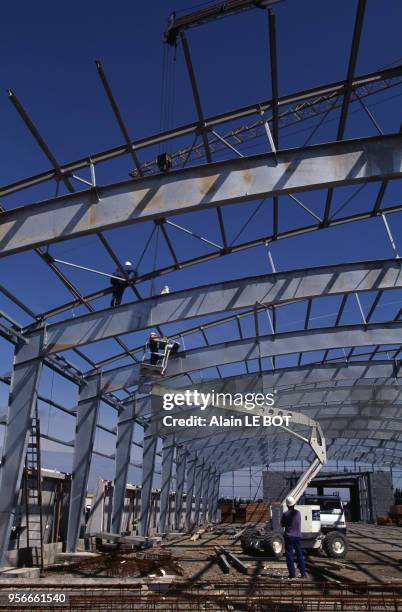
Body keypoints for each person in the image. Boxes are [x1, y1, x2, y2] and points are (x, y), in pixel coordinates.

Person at [281, 495, 306, 579]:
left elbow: (282, 524)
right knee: (300, 555)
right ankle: (303, 574)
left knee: (289, 556)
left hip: (288, 537)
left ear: (287, 505)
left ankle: (292, 574)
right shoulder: (298, 513)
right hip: (297, 537)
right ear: (294, 504)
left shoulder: (285, 514)